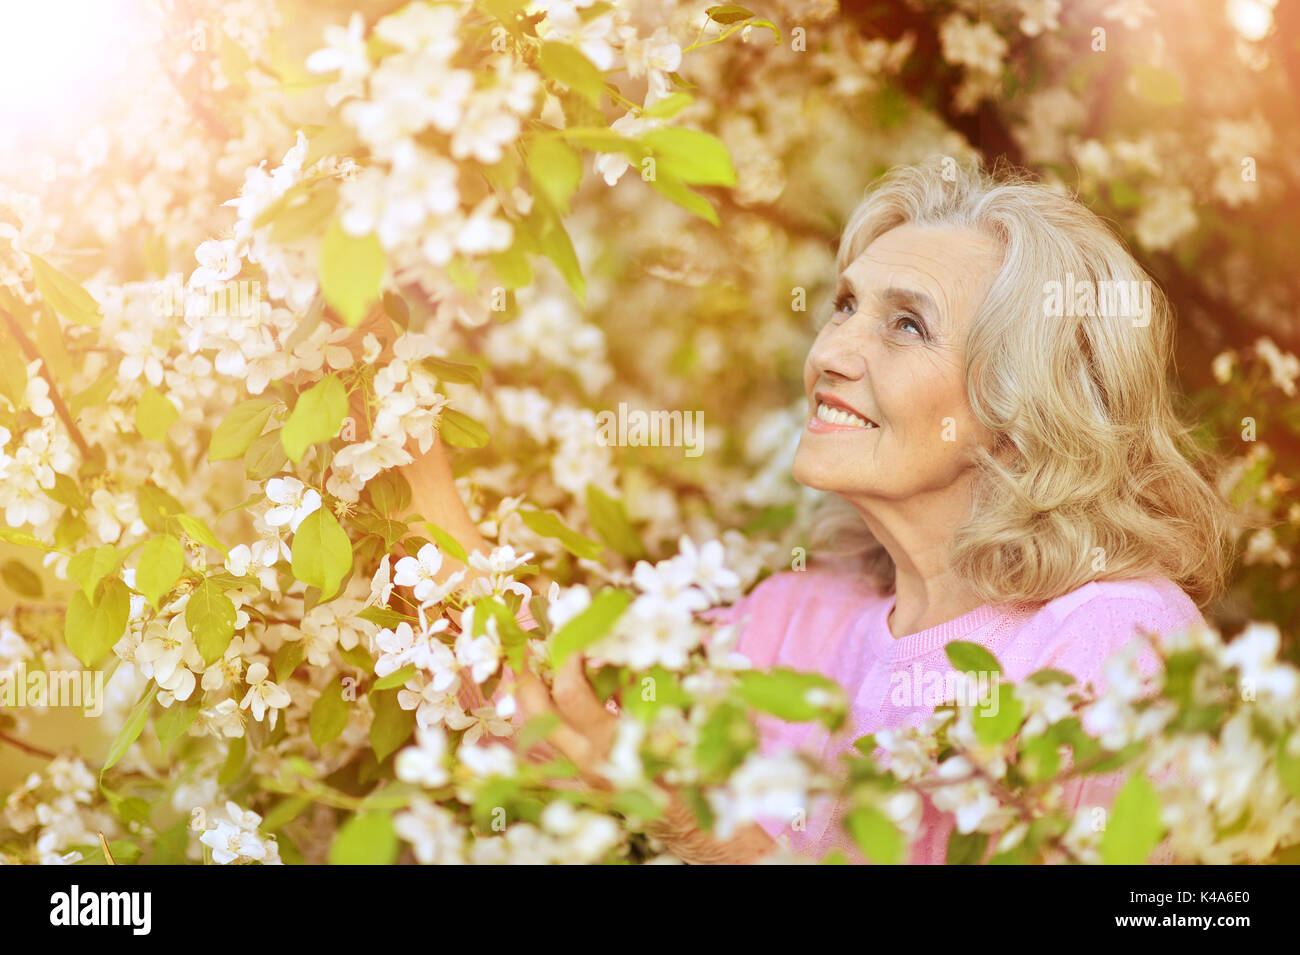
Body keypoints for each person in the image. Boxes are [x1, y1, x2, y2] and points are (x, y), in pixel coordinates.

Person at [381, 157, 1236, 863]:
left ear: (1021, 413)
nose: (831, 352)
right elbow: (541, 696)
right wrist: (394, 406)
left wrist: (700, 829)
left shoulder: (1116, 643)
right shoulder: (795, 618)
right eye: (845, 306)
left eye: (906, 326)